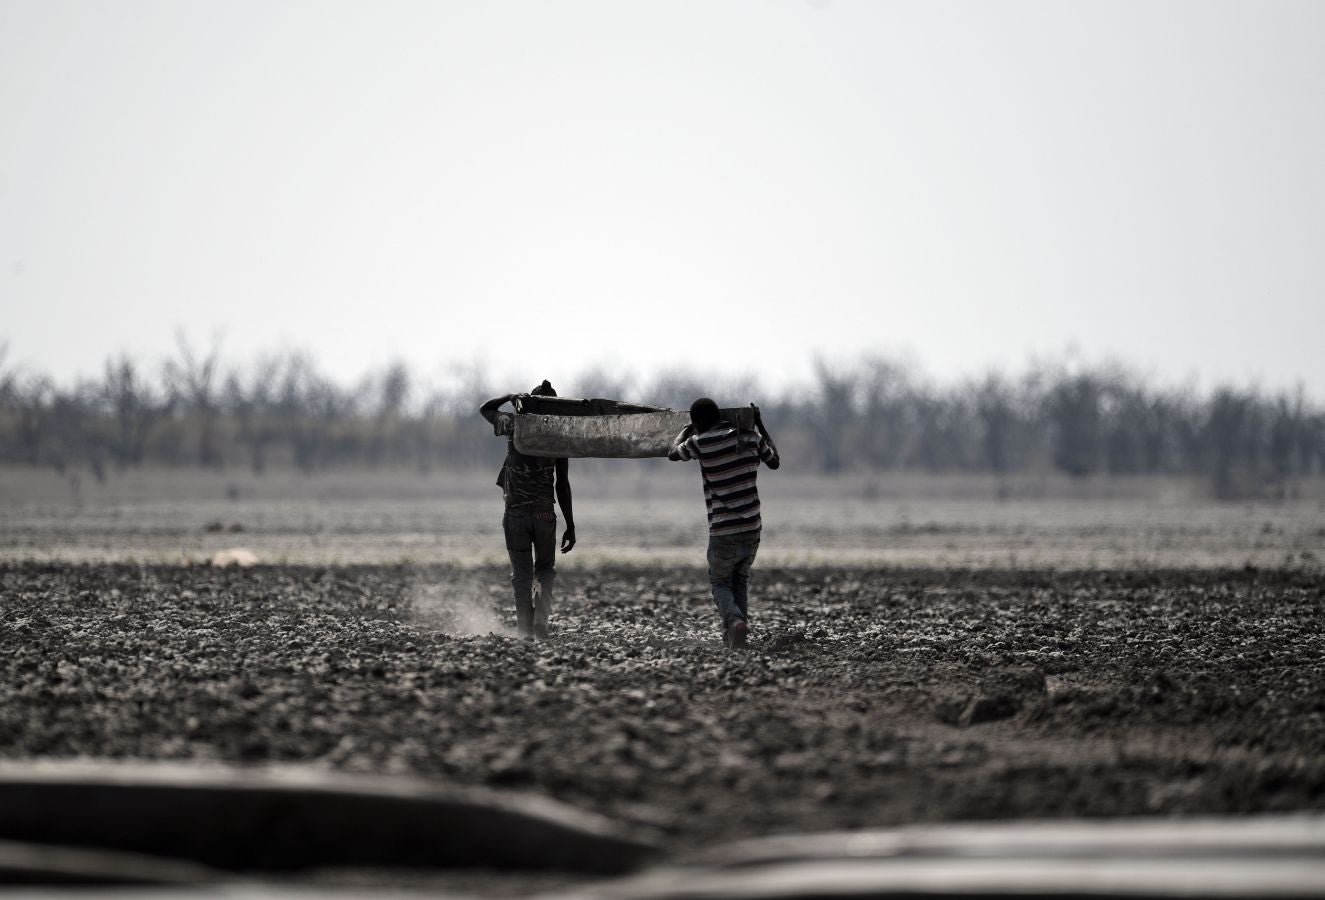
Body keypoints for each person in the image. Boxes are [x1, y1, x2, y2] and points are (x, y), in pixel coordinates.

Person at [668, 398, 780, 650]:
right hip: (752, 527)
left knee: (720, 582)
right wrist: (760, 425)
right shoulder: (750, 438)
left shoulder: (700, 443)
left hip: (723, 529)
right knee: (740, 579)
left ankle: (735, 622)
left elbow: (673, 453)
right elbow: (775, 462)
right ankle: (737, 636)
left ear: (698, 423)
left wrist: (684, 431)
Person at [479, 380, 576, 640]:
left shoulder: (513, 425)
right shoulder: (559, 436)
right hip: (545, 514)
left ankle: (524, 630)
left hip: (515, 515)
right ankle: (540, 623)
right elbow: (562, 484)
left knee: (522, 575)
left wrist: (509, 395)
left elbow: (486, 409)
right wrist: (571, 524)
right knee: (544, 570)